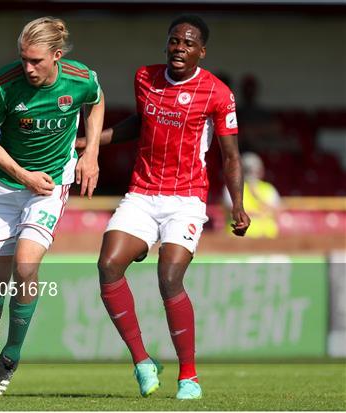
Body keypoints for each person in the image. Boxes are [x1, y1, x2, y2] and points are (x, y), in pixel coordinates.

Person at [77, 15, 250, 400]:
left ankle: (189, 376)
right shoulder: (145, 78)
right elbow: (139, 124)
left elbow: (231, 155)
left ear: (201, 52)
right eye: (174, 41)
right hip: (142, 193)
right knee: (108, 265)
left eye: (188, 43)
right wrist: (86, 144)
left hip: (186, 199)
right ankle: (142, 361)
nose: (179, 48)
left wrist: (237, 204)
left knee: (169, 276)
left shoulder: (217, 94)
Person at [0, 16, 104, 400]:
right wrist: (22, 174)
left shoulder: (80, 79)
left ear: (57, 56)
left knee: (27, 265)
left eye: (36, 61)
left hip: (49, 185)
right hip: (4, 183)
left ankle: (9, 359)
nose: (27, 67)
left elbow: (96, 103)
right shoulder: (3, 84)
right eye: (23, 59)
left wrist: (91, 151)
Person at [224, 152, 280, 238]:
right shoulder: (232, 188)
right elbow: (228, 210)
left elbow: (277, 211)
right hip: (239, 239)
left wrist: (257, 197)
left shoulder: (268, 189)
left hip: (267, 237)